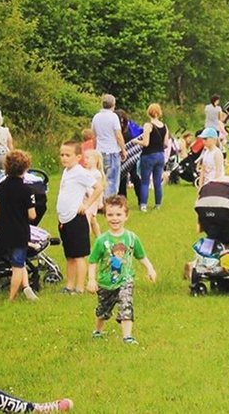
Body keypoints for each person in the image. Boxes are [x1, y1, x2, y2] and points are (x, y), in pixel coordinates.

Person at [87, 195, 157, 344]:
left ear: (126, 216)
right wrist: (92, 280)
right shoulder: (102, 240)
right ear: (105, 216)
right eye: (110, 215)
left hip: (126, 280)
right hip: (106, 282)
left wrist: (150, 269)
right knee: (103, 310)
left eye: (119, 215)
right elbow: (92, 261)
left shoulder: (131, 238)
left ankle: (127, 336)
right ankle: (98, 330)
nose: (114, 218)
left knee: (126, 304)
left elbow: (141, 255)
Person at [56, 140, 103, 295]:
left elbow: (98, 187)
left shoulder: (80, 172)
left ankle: (80, 287)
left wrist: (87, 204)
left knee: (79, 256)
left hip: (76, 219)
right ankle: (69, 285)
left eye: (67, 155)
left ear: (77, 157)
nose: (64, 158)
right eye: (62, 155)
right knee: (69, 255)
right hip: (64, 219)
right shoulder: (67, 171)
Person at [0, 149, 38, 301]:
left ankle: (26, 288)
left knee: (17, 262)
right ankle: (11, 298)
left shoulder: (1, 187)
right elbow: (32, 215)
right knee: (18, 266)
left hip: (4, 231)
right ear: (25, 168)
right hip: (19, 232)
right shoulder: (26, 190)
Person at [130, 103, 169, 212]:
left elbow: (145, 143)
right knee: (157, 181)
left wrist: (136, 141)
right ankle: (158, 205)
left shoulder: (148, 125)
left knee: (145, 181)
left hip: (148, 155)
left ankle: (143, 205)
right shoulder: (164, 126)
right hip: (160, 155)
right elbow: (166, 143)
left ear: (149, 112)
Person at [91, 94, 127, 198]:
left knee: (101, 177)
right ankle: (109, 201)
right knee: (112, 179)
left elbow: (94, 135)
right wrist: (123, 149)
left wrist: (95, 149)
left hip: (100, 150)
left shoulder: (96, 117)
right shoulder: (113, 117)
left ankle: (99, 200)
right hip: (111, 151)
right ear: (113, 105)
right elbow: (118, 135)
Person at [83, 149, 105, 237]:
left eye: (88, 158)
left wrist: (100, 202)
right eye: (85, 158)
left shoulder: (96, 174)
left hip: (92, 200)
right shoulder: (84, 171)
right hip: (85, 199)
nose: (85, 160)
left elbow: (100, 188)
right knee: (93, 220)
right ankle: (99, 236)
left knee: (87, 218)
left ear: (95, 160)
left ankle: (85, 236)